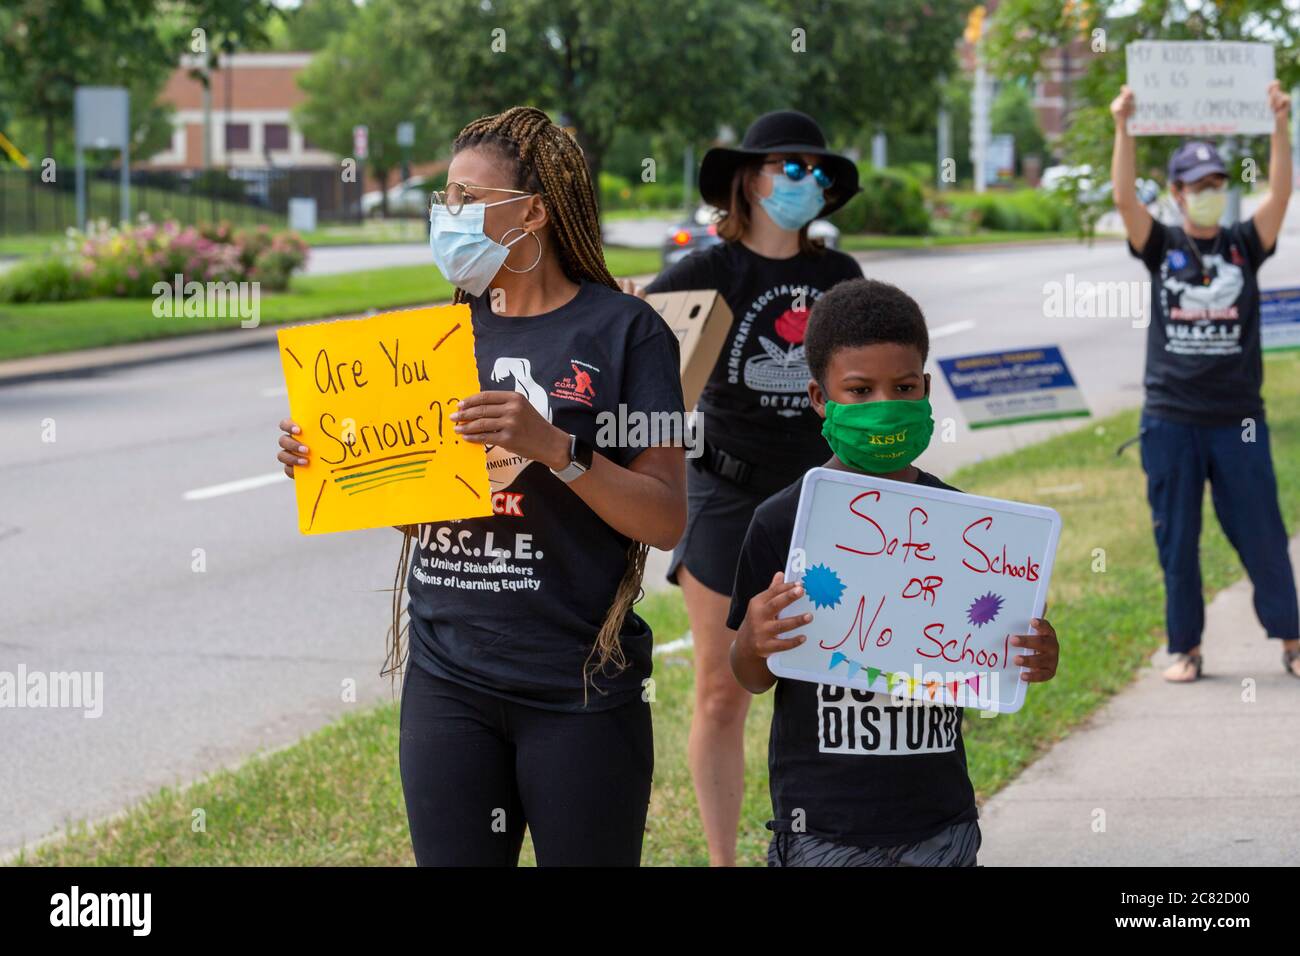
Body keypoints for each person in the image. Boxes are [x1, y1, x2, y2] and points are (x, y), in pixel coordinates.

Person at [278, 107, 687, 865]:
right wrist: (335, 462)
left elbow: (664, 518)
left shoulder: (626, 332)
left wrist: (555, 449)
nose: (448, 216)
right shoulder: (437, 340)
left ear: (532, 211)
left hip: (578, 686)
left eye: (467, 199)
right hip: (448, 678)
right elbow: (421, 510)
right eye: (444, 199)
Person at [727, 277, 1061, 866]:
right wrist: (754, 641)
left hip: (939, 821)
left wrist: (1036, 653)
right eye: (858, 391)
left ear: (926, 390)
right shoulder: (781, 522)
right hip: (823, 827)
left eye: (903, 387)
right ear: (818, 398)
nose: (883, 406)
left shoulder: (967, 530)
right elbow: (752, 675)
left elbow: (1002, 650)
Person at [623, 109, 864, 865]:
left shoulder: (838, 277)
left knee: (832, 679)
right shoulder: (709, 270)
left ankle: (835, 840)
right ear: (747, 180)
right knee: (725, 689)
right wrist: (624, 305)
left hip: (825, 499)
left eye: (816, 171)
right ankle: (726, 860)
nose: (804, 182)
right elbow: (635, 338)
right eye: (788, 167)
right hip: (725, 497)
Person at [1110, 81, 1300, 683]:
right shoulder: (1160, 245)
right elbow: (1122, 198)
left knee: (1263, 532)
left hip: (1238, 419)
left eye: (1217, 185)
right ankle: (1185, 648)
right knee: (1178, 541)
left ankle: (1293, 640)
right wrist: (1123, 127)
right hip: (1170, 419)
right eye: (1197, 187)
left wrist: (1278, 122)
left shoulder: (1246, 243)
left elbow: (1282, 190)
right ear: (1177, 194)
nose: (1209, 195)